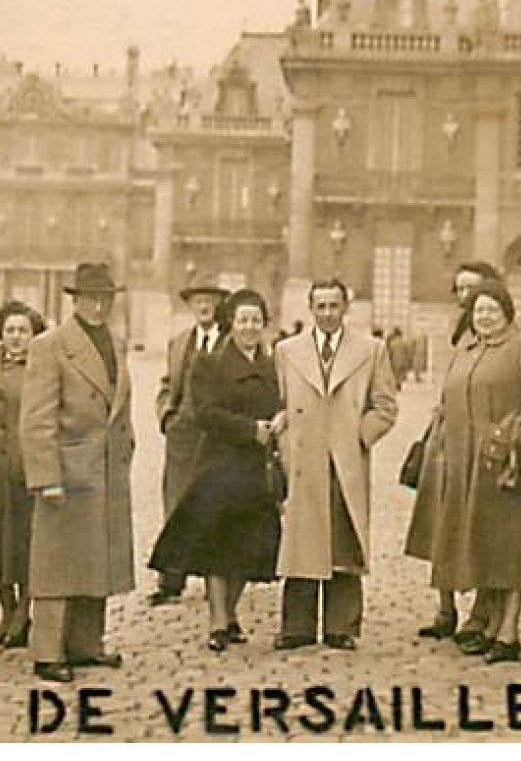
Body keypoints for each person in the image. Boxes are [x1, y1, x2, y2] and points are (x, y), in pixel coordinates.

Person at [418, 280, 521, 663]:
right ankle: (486, 622)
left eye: (492, 309)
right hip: (463, 464)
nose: (485, 317)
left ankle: (508, 630)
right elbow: (447, 400)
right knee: (482, 543)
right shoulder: (466, 349)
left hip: (504, 463)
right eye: (479, 311)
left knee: (511, 545)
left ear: (507, 311)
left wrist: (512, 438)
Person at [149, 288, 283, 652]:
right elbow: (205, 413)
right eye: (243, 320)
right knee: (218, 545)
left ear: (264, 324)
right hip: (220, 464)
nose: (249, 327)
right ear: (231, 323)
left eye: (256, 320)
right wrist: (250, 430)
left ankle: (231, 614)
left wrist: (279, 420)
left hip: (256, 467)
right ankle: (218, 621)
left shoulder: (272, 366)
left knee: (247, 546)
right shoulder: (209, 363)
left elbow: (281, 404)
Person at [21, 262, 136, 682]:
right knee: (56, 565)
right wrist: (46, 475)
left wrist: (128, 446)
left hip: (106, 469)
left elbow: (121, 402)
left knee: (96, 559)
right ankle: (48, 652)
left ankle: (87, 644)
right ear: (75, 300)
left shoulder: (116, 342)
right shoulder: (50, 345)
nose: (99, 305)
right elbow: (36, 418)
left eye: (106, 298)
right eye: (90, 297)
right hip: (67, 472)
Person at [271, 278, 398, 651]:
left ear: (346, 308)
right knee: (301, 542)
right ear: (310, 309)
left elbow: (386, 406)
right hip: (303, 457)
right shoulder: (286, 350)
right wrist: (282, 428)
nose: (327, 314)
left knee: (344, 539)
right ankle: (297, 626)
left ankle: (342, 626)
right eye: (320, 306)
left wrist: (360, 435)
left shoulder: (371, 350)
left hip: (346, 460)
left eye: (334, 306)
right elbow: (277, 398)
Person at [407, 260, 502, 643]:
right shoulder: (456, 333)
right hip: (446, 438)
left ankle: (480, 613)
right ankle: (445, 608)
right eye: (460, 290)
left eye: (473, 290)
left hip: (478, 443)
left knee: (478, 526)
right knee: (440, 524)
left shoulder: (495, 334)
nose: (465, 299)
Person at [0, 301, 46, 649]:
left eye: (23, 331)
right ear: (0, 334)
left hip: (27, 468)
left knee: (27, 542)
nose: (16, 338)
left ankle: (24, 613)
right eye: (10, 331)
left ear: (34, 335)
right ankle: (7, 609)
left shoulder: (44, 371)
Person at [151, 281, 229, 605]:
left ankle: (219, 583)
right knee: (176, 503)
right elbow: (168, 384)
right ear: (191, 306)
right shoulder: (179, 342)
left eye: (210, 301)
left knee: (218, 504)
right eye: (198, 301)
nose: (204, 307)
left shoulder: (231, 342)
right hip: (183, 436)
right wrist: (167, 417)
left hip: (219, 435)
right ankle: (171, 578)